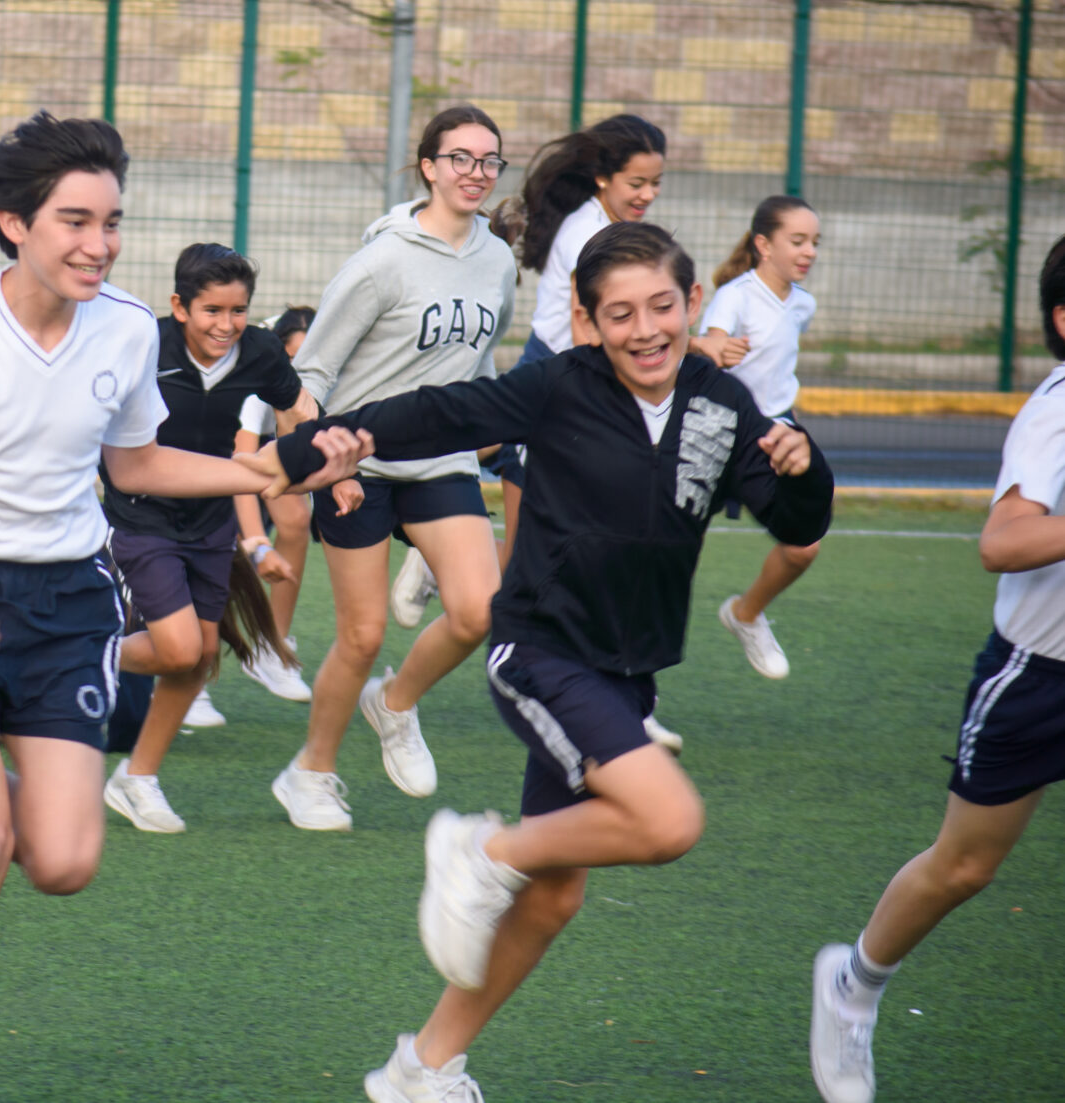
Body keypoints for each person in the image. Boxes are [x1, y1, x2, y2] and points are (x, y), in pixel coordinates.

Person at [0, 113, 363, 1103]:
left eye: (111, 219)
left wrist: (276, 467)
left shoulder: (125, 328)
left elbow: (135, 463)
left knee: (66, 863)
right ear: (13, 223)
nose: (98, 241)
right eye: (74, 219)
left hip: (68, 599)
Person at [259, 220, 833, 1103]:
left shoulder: (723, 402)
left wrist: (802, 466)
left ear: (691, 303)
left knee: (554, 897)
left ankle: (424, 1066)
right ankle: (479, 847)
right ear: (588, 318)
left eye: (661, 307)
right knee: (669, 821)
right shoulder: (560, 387)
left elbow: (793, 518)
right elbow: (440, 411)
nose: (644, 329)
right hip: (542, 650)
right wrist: (327, 441)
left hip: (627, 669)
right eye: (619, 313)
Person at [809, 233, 1065, 1103]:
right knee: (965, 866)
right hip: (1039, 678)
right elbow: (1003, 539)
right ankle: (855, 985)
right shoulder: (1058, 411)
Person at [271, 106, 516, 831]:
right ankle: (310, 771)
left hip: (438, 459)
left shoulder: (498, 260)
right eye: (461, 158)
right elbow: (306, 377)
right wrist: (329, 466)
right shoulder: (380, 261)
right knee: (362, 634)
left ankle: (396, 701)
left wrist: (494, 430)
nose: (476, 172)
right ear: (429, 167)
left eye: (490, 160)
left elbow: (482, 357)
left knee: (478, 609)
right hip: (360, 463)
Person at [98, 243, 315, 833]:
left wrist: (322, 463)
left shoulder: (261, 350)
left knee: (197, 662)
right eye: (212, 311)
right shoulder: (145, 346)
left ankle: (136, 780)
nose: (226, 325)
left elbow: (298, 405)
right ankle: (65, 660)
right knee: (177, 649)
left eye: (238, 310)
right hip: (142, 517)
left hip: (210, 521)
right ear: (179, 307)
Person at [482, 113, 682, 754]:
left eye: (656, 183)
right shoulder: (585, 234)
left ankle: (628, 695)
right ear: (603, 177)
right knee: (540, 558)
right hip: (564, 382)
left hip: (598, 385)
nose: (648, 193)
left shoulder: (623, 232)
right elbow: (587, 328)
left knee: (618, 546)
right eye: (637, 181)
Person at [692, 195, 823, 681]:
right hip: (718, 432)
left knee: (803, 546)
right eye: (798, 241)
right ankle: (634, 683)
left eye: (814, 242)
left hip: (775, 435)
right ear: (763, 245)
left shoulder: (803, 303)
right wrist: (719, 347)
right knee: (671, 554)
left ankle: (745, 614)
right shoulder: (736, 295)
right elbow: (711, 349)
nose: (809, 251)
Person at [230, 305, 318, 706]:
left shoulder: (323, 378)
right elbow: (238, 469)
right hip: (209, 455)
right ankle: (190, 674)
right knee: (218, 552)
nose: (299, 369)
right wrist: (256, 543)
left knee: (296, 520)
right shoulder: (257, 378)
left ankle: (271, 646)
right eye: (292, 359)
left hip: (265, 454)